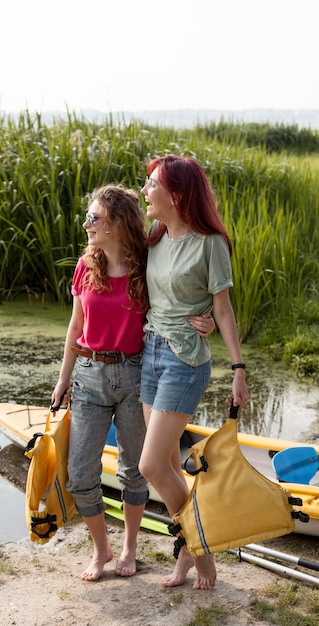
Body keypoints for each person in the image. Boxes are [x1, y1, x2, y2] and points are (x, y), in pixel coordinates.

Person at [52, 184, 215, 582]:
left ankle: (128, 548)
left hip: (136, 373)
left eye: (95, 218)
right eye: (88, 216)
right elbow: (75, 327)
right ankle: (100, 549)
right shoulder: (83, 266)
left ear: (118, 223)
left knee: (134, 471)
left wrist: (204, 321)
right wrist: (63, 380)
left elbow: (179, 300)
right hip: (89, 377)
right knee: (80, 473)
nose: (87, 224)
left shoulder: (147, 263)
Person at [138, 154, 250, 591]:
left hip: (185, 363)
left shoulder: (210, 243)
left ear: (177, 194)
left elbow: (222, 308)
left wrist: (238, 369)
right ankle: (186, 557)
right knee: (166, 463)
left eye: (152, 185)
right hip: (150, 355)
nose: (146, 191)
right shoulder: (155, 236)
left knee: (150, 466)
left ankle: (201, 550)